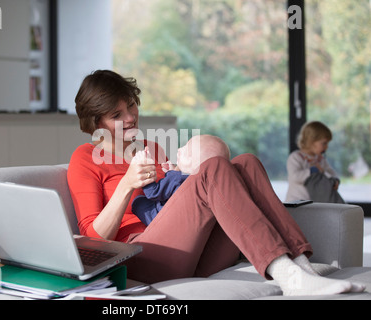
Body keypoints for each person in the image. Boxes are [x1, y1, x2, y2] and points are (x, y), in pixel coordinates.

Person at [67, 70, 364, 296]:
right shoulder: (85, 158)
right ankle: (288, 276)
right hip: (141, 259)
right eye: (117, 115)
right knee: (214, 168)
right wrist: (126, 186)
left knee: (245, 162)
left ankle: (300, 266)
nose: (131, 117)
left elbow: (177, 204)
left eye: (131, 105)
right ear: (96, 123)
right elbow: (93, 239)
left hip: (195, 254)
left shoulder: (152, 149)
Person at [131, 135, 231, 225]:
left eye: (187, 152)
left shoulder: (176, 178)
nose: (179, 149)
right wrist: (171, 172)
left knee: (139, 201)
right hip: (186, 223)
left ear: (197, 166)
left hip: (163, 222)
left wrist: (144, 167)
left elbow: (153, 193)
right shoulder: (205, 185)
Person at [286, 121, 344, 203]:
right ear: (311, 141)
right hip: (296, 202)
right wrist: (312, 171)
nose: (326, 147)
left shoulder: (320, 159)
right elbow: (295, 177)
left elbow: (330, 171)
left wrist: (335, 180)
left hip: (314, 203)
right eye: (324, 143)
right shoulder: (295, 157)